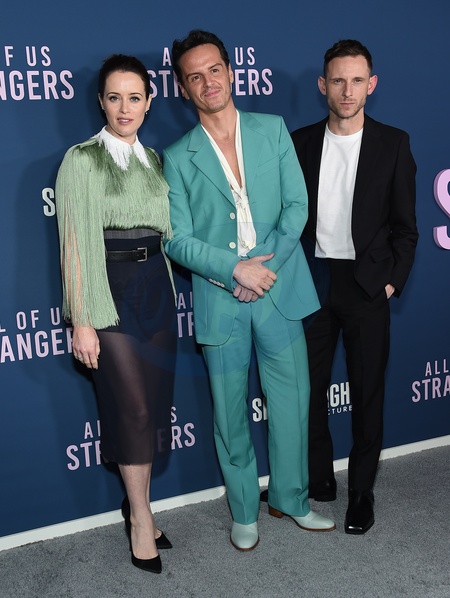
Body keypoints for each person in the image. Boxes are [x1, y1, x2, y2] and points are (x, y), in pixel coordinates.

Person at [163, 29, 335, 551]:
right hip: (222, 299)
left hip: (278, 290)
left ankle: (292, 498)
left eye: (214, 70)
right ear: (183, 88)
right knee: (230, 413)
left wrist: (264, 269)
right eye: (195, 76)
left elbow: (297, 207)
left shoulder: (272, 129)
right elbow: (177, 239)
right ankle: (243, 510)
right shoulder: (177, 156)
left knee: (292, 403)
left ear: (231, 72)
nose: (208, 82)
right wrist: (235, 270)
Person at [291, 40, 418, 534]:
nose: (348, 91)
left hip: (367, 284)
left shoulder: (394, 143)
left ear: (372, 84)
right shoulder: (299, 142)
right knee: (308, 391)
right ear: (323, 85)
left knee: (366, 394)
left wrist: (390, 283)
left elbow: (405, 228)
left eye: (357, 81)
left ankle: (361, 492)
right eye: (338, 81)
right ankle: (319, 480)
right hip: (314, 279)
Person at [55, 54, 176, 573]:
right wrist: (82, 318)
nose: (124, 108)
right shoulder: (81, 159)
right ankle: (141, 519)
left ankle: (137, 504)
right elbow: (75, 243)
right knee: (134, 411)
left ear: (149, 103)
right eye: (114, 97)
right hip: (109, 293)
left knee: (152, 409)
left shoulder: (156, 161)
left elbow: (169, 234)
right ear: (101, 102)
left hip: (157, 293)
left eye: (134, 97)